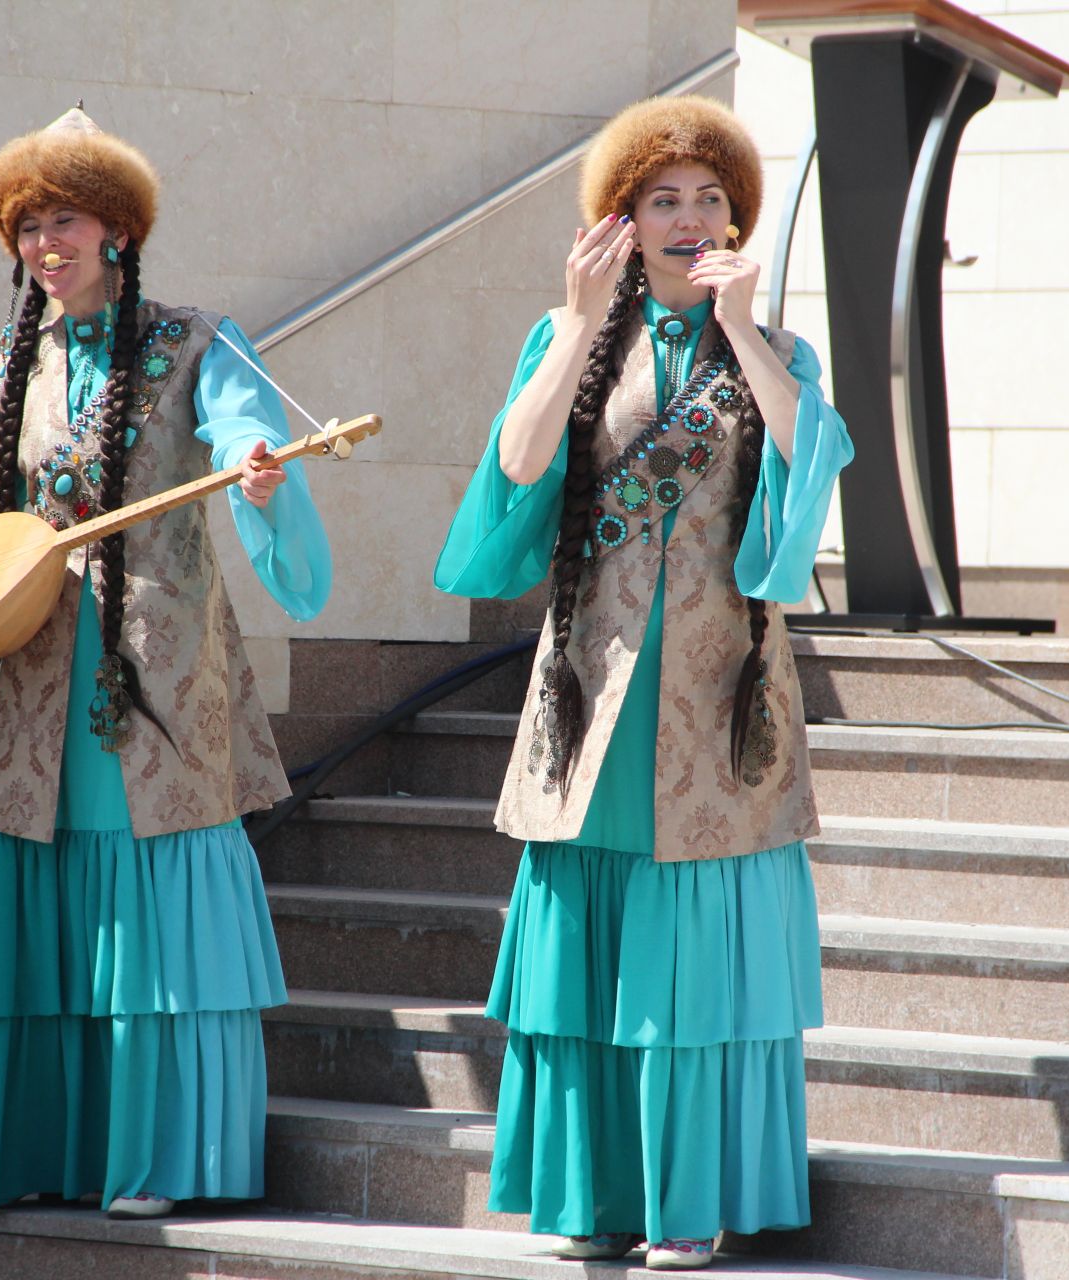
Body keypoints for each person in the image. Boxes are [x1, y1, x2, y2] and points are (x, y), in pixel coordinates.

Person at [0, 106, 331, 1217]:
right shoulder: (13, 361)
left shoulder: (199, 342)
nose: (45, 242)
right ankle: (27, 1151)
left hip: (159, 677)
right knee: (42, 892)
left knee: (159, 903)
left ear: (117, 230)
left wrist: (256, 467)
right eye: (28, 225)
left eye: (65, 218)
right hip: (38, 677)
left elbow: (239, 434)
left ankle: (164, 1158)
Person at [433, 96, 852, 1272]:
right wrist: (573, 321)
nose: (688, 217)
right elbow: (517, 464)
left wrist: (745, 328)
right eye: (663, 198)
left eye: (709, 198)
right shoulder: (568, 336)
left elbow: (811, 460)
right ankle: (595, 1188)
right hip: (591, 688)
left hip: (719, 696)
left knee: (695, 955)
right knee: (588, 947)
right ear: (622, 218)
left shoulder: (772, 349)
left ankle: (690, 1193)